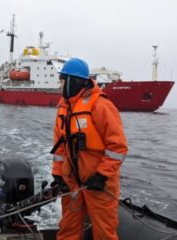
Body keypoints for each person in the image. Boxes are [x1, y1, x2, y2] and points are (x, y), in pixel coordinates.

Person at [50, 58, 128, 240]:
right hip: (71, 182)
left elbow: (118, 147)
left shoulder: (101, 105)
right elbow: (59, 148)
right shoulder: (63, 109)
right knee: (68, 229)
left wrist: (101, 175)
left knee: (104, 232)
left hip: (99, 183)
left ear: (73, 81)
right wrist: (57, 175)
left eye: (62, 80)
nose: (59, 84)